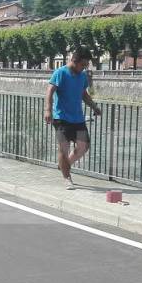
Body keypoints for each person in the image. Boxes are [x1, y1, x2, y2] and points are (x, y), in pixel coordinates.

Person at [44, 48, 101, 189]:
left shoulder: (82, 76)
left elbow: (84, 94)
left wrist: (94, 107)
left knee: (84, 146)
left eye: (86, 65)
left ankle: (64, 165)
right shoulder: (60, 73)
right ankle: (67, 177)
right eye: (83, 65)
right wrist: (47, 110)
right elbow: (50, 91)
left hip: (78, 119)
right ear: (74, 61)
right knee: (63, 148)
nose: (84, 68)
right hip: (61, 118)